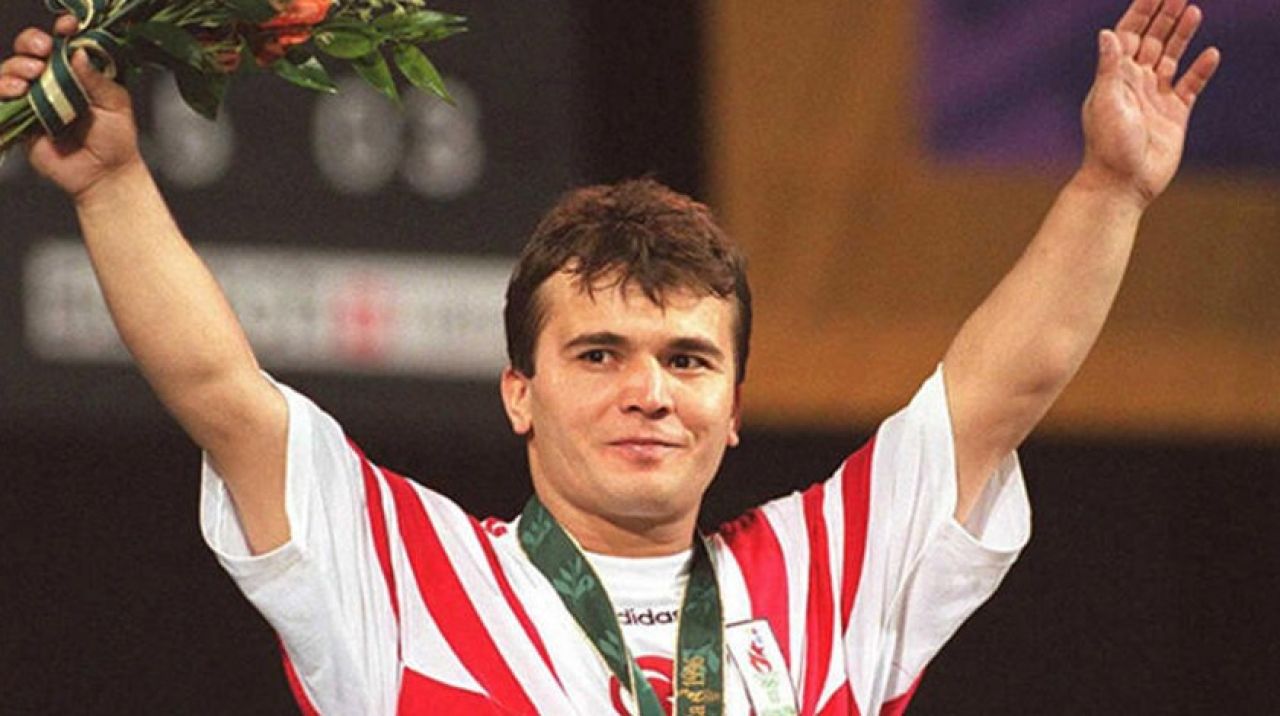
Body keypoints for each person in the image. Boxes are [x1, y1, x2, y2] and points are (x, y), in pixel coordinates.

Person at [0, 0, 1219, 713]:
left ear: (733, 406)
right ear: (518, 393)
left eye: (688, 360)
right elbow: (224, 393)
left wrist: (1107, 188)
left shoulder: (828, 574)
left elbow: (996, 391)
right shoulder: (403, 572)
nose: (649, 391)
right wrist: (110, 183)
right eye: (598, 353)